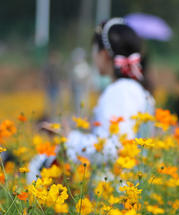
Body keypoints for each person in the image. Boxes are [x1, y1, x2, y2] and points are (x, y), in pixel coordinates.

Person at [27, 18, 155, 183]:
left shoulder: (119, 91)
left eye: (93, 49)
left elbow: (111, 148)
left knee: (37, 168)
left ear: (103, 54)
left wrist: (70, 137)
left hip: (115, 191)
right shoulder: (136, 89)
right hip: (131, 186)